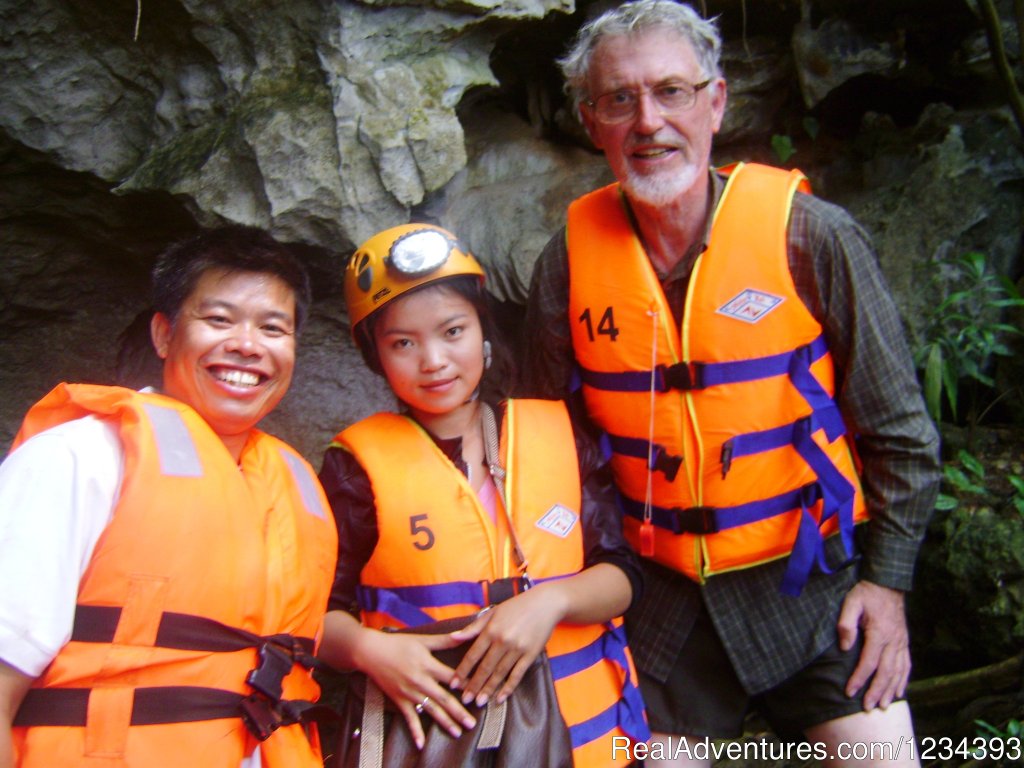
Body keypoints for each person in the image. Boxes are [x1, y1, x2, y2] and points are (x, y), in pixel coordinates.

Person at [520, 0, 942, 764]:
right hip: (656, 607)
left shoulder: (814, 237)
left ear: (716, 102)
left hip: (809, 588)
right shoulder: (569, 263)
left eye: (671, 91)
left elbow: (901, 434)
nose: (647, 120)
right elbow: (550, 455)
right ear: (592, 122)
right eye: (620, 99)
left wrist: (887, 586)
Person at [0, 226, 338, 768]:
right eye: (220, 319)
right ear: (163, 335)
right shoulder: (78, 459)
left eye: (273, 328)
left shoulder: (297, 488)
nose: (247, 345)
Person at [317, 223, 650, 766]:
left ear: (483, 330)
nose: (434, 360)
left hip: (588, 738)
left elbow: (622, 573)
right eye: (403, 342)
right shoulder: (353, 469)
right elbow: (312, 613)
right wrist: (366, 649)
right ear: (374, 356)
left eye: (453, 331)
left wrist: (552, 599)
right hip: (436, 744)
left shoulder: (560, 434)